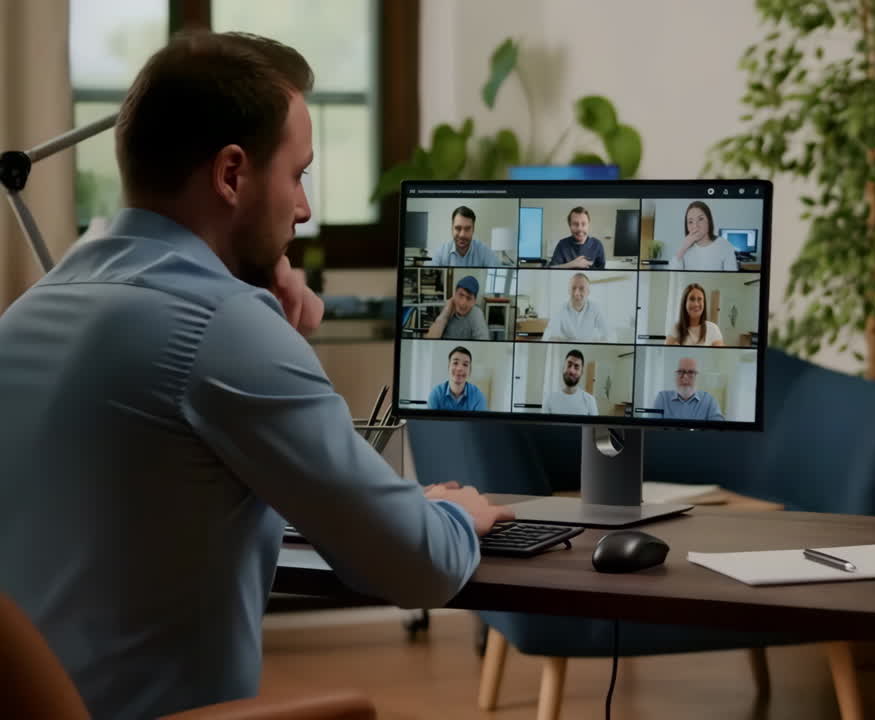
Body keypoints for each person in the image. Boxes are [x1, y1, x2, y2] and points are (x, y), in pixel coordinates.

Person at [0, 31, 513, 719]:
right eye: (298, 174)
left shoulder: (34, 309)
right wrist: (455, 514)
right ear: (232, 174)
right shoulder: (223, 327)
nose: (303, 210)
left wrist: (250, 289)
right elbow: (413, 566)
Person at [670, 201, 739, 271]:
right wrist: (683, 248)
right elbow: (672, 276)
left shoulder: (724, 245)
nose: (695, 226)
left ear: (709, 221)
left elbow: (732, 278)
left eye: (700, 219)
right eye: (690, 222)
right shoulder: (684, 247)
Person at [651, 357, 725, 422]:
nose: (685, 377)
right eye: (681, 372)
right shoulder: (662, 398)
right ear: (675, 375)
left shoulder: (709, 401)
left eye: (691, 372)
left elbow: (718, 430)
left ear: (697, 376)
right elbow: (653, 429)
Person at [543, 272, 610, 342]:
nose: (577, 293)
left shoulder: (596, 308)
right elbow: (548, 336)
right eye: (573, 288)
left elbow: (609, 335)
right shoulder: (559, 308)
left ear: (588, 291)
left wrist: (600, 340)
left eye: (581, 288)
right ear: (569, 291)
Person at [431, 205, 505, 267]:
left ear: (473, 229)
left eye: (467, 229)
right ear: (452, 229)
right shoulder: (440, 254)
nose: (462, 235)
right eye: (458, 228)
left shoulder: (485, 252)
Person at [426, 275, 488, 340]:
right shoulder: (448, 307)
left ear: (474, 301)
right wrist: (445, 314)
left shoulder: (477, 314)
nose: (462, 303)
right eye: (461, 295)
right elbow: (430, 339)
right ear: (455, 294)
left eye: (469, 298)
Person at [428, 346, 488, 411]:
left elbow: (480, 421)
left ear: (470, 371)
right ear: (448, 367)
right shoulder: (436, 394)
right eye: (455, 363)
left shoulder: (478, 396)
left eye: (465, 364)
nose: (459, 368)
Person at [542, 349, 598, 415]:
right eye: (569, 365)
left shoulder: (590, 401)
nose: (571, 371)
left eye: (576, 367)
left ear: (581, 372)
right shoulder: (549, 399)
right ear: (563, 368)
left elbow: (594, 425)